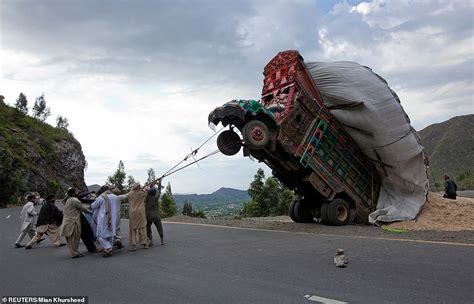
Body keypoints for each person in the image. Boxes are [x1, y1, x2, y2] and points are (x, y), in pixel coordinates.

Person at [61, 188, 91, 258]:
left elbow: (63, 201)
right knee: (74, 238)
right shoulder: (75, 200)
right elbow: (83, 208)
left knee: (70, 239)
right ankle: (75, 253)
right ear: (73, 193)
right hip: (73, 222)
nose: (78, 192)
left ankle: (74, 252)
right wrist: (90, 212)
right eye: (76, 191)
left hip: (68, 221)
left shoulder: (68, 200)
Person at [91, 186, 120, 257]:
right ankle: (109, 248)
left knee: (100, 235)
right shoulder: (114, 197)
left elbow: (93, 206)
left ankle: (108, 248)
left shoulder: (101, 197)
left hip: (104, 218)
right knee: (111, 234)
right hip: (113, 218)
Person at [128, 183, 149, 251]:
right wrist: (143, 189)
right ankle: (144, 243)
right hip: (141, 212)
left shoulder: (131, 193)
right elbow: (146, 191)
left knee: (132, 229)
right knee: (142, 228)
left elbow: (128, 194)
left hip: (133, 213)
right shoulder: (142, 193)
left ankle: (133, 245)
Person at [145, 180, 165, 246]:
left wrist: (149, 185)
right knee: (159, 227)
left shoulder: (147, 198)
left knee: (148, 228)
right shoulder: (156, 197)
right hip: (156, 215)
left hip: (148, 216)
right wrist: (160, 181)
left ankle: (150, 240)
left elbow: (147, 191)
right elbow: (159, 189)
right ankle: (162, 240)